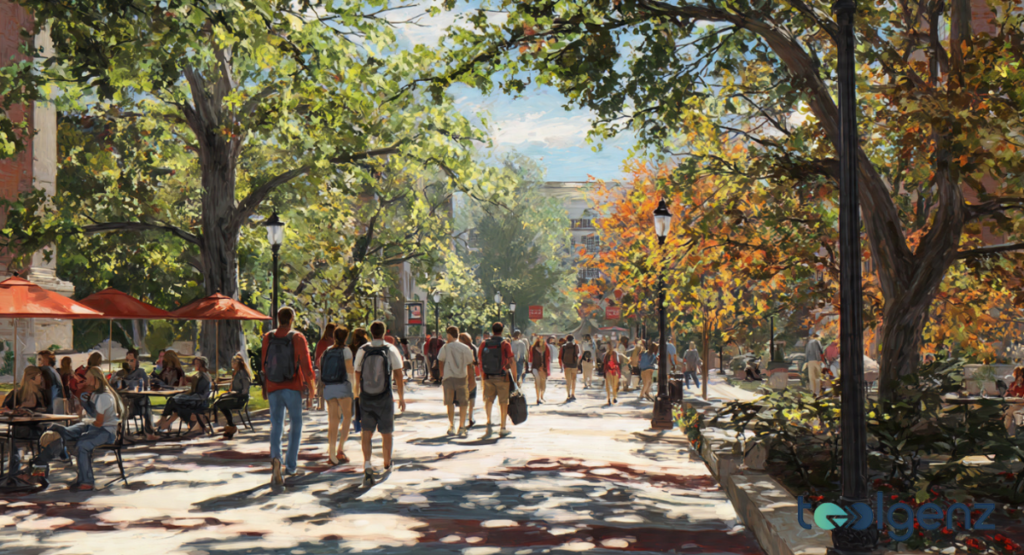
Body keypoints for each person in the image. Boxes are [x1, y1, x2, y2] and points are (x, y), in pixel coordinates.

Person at [27, 366, 124, 490]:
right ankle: (41, 464)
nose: (85, 381)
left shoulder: (103, 396)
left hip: (104, 431)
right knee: (62, 434)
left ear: (94, 379)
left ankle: (85, 481)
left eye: (87, 379)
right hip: (90, 427)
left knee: (80, 443)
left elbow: (99, 422)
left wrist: (84, 420)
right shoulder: (94, 394)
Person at [261, 306, 315, 485]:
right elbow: (306, 365)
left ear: (278, 318)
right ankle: (291, 465)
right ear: (291, 318)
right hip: (292, 386)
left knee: (276, 425)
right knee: (296, 424)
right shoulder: (297, 337)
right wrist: (312, 389)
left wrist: (265, 386)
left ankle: (276, 458)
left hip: (273, 387)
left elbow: (264, 364)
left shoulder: (268, 337)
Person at [354, 321, 406, 485]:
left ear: (371, 332)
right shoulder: (391, 349)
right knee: (386, 432)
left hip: (366, 396)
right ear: (383, 333)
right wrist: (401, 397)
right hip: (384, 396)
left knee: (366, 432)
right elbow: (398, 374)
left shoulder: (363, 350)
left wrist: (358, 394)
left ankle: (368, 463)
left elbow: (357, 373)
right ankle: (386, 462)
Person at [1, 366, 50, 474]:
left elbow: (46, 411)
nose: (41, 379)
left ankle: (36, 475)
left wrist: (36, 411)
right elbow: (4, 410)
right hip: (21, 428)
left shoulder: (41, 394)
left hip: (36, 428)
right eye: (39, 376)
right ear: (31, 378)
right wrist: (17, 409)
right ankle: (14, 475)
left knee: (39, 445)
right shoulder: (16, 394)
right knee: (19, 443)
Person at [150, 356, 213, 438]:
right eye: (195, 363)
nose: (195, 365)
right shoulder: (201, 375)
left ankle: (164, 422)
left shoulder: (203, 376)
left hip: (199, 401)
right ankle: (165, 422)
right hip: (195, 398)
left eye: (197, 363)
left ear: (203, 365)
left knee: (173, 400)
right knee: (174, 401)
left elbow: (199, 394)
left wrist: (186, 395)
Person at [318, 327, 354, 465]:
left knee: (333, 420)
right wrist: (355, 390)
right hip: (343, 386)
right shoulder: (346, 351)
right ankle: (340, 449)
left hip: (329, 387)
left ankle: (331, 453)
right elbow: (350, 372)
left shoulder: (327, 351)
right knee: (347, 417)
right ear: (346, 337)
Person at [479, 322, 516, 438]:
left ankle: (489, 422)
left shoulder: (484, 344)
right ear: (502, 330)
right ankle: (503, 427)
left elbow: (480, 360)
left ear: (492, 330)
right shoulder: (505, 343)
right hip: (502, 377)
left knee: (489, 400)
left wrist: (483, 376)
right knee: (503, 402)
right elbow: (511, 361)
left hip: (488, 377)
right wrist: (515, 378)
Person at [438, 326, 475, 437]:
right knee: (463, 403)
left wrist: (442, 374)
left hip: (448, 377)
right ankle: (462, 426)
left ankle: (451, 425)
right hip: (462, 377)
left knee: (450, 403)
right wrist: (471, 379)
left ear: (449, 335)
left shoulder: (445, 348)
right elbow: (470, 365)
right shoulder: (465, 348)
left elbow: (440, 360)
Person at [212, 354, 253, 440]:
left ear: (237, 363)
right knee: (219, 401)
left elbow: (244, 390)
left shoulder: (242, 373)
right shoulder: (237, 373)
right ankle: (230, 425)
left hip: (240, 399)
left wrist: (233, 393)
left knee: (221, 403)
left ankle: (231, 426)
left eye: (233, 362)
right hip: (236, 396)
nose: (232, 364)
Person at [123, 348, 155, 435]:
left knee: (144, 402)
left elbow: (146, 386)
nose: (129, 362)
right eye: (127, 360)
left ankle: (149, 430)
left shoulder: (140, 372)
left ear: (136, 361)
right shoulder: (123, 373)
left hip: (138, 399)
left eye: (131, 360)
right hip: (126, 399)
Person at [314, 323, 337, 412]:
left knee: (322, 386)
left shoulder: (321, 343)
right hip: (334, 369)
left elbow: (317, 358)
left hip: (323, 368)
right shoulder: (335, 343)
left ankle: (322, 405)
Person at [458, 333, 480, 428]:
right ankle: (471, 417)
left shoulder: (459, 348)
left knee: (463, 398)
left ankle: (463, 419)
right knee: (472, 397)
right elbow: (476, 362)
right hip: (471, 374)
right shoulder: (473, 348)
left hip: (461, 374)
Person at [351, 328, 370, 434]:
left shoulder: (351, 346)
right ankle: (366, 422)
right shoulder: (366, 345)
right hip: (365, 375)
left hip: (353, 374)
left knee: (356, 400)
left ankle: (357, 423)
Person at [559, 334, 581, 402]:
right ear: (573, 339)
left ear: (566, 339)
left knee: (568, 381)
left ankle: (568, 394)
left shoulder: (563, 347)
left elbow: (560, 357)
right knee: (573, 380)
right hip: (574, 365)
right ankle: (573, 394)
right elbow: (578, 355)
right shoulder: (576, 346)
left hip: (566, 366)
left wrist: (561, 366)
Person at [530, 336, 550, 404]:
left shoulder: (546, 348)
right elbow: (531, 358)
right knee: (537, 382)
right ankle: (538, 398)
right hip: (535, 368)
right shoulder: (533, 348)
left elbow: (547, 358)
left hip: (543, 369)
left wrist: (546, 368)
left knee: (543, 384)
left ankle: (541, 396)